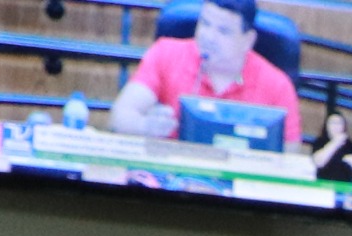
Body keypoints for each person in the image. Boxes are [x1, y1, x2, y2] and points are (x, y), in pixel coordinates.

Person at [108, 0, 297, 146]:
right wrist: (146, 126)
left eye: (223, 31)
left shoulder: (277, 85)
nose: (209, 37)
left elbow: (290, 152)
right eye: (205, 24)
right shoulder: (166, 53)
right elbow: (119, 116)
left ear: (248, 40)